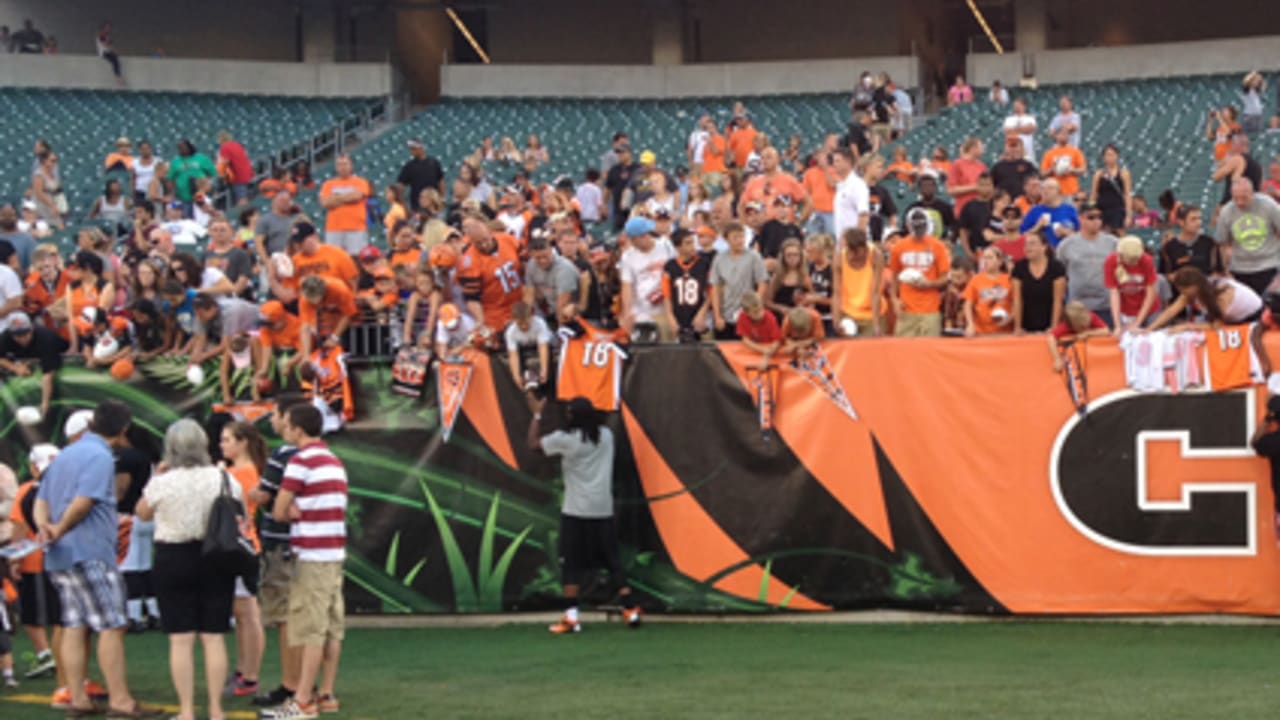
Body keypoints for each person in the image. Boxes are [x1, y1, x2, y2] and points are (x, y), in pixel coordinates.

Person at [34, 401, 161, 718]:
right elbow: (84, 502)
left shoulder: (66, 454)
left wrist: (45, 528)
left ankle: (77, 698)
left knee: (75, 624)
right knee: (112, 624)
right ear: (123, 429)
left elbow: (42, 498)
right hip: (90, 550)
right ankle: (120, 700)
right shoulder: (101, 457)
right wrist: (60, 528)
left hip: (59, 554)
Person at [134, 419, 237, 720]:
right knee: (213, 636)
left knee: (180, 638)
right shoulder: (221, 478)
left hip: (173, 557)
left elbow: (141, 512)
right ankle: (217, 710)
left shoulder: (164, 481)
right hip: (216, 556)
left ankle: (187, 710)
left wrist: (157, 477)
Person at [268, 404, 348, 719]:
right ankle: (325, 692)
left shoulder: (300, 462)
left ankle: (303, 700)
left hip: (312, 555)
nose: (284, 429)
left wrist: (289, 510)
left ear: (298, 429)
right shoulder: (333, 460)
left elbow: (278, 508)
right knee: (330, 626)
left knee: (311, 628)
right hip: (333, 553)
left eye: (286, 424)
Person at [247, 398, 305, 709]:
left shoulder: (284, 454)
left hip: (281, 544)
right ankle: (307, 682)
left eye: (275, 414)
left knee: (285, 618)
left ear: (288, 419)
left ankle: (291, 684)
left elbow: (265, 495)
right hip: (307, 545)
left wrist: (252, 493)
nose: (271, 420)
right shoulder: (320, 454)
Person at [219, 421, 268, 699]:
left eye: (227, 440)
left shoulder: (242, 474)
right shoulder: (237, 472)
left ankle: (250, 675)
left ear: (242, 443)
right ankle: (243, 670)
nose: (222, 444)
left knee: (248, 614)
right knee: (243, 614)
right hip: (240, 548)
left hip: (243, 548)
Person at [9, 444, 61, 684]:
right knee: (61, 616)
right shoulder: (69, 489)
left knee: (32, 614)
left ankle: (46, 654)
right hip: (63, 559)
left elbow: (19, 527)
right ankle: (60, 656)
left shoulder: (28, 490)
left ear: (33, 466)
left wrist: (15, 558)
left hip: (34, 558)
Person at [888, 208, 951, 337]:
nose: (918, 229)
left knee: (929, 350)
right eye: (915, 226)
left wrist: (929, 284)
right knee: (904, 351)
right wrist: (895, 300)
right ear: (908, 225)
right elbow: (893, 277)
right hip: (906, 307)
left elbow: (945, 277)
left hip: (930, 308)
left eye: (921, 225)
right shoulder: (899, 247)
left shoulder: (937, 246)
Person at [1215, 177, 1280, 296]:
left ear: (1252, 193)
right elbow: (1223, 244)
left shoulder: (1269, 205)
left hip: (1268, 265)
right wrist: (1225, 270)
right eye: (1236, 198)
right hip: (1239, 268)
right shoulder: (1226, 211)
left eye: (1244, 198)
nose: (1240, 202)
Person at [1057, 205, 1119, 327]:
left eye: (1099, 217)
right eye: (1091, 217)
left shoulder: (1113, 243)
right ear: (1080, 218)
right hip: (1076, 308)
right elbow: (1061, 275)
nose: (1096, 221)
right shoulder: (1066, 245)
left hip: (1106, 306)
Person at [1147, 266, 1263, 330]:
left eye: (1183, 290)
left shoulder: (1222, 294)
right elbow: (1170, 311)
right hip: (1230, 318)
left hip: (1253, 318)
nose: (1182, 294)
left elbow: (1217, 325)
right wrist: (1149, 329)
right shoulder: (1191, 293)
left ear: (1193, 286)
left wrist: (1186, 326)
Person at [0, 312, 67, 419]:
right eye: (17, 335)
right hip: (32, 361)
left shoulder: (46, 338)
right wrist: (15, 368)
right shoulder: (6, 337)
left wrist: (45, 403)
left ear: (31, 329)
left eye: (25, 334)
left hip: (60, 358)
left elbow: (48, 375)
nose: (22, 338)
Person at [709, 222, 768, 340]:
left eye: (742, 236)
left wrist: (755, 305)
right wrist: (717, 315)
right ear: (727, 239)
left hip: (747, 313)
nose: (740, 240)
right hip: (726, 313)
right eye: (735, 237)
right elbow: (715, 288)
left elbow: (762, 283)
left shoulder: (754, 257)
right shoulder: (719, 259)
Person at [662, 229, 712, 341]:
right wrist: (670, 317)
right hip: (679, 315)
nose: (692, 246)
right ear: (678, 247)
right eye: (688, 243)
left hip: (698, 315)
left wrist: (702, 313)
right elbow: (667, 295)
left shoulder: (704, 264)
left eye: (693, 242)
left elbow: (711, 292)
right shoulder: (670, 266)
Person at [1011, 232, 1066, 333]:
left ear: (1044, 247)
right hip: (1026, 324)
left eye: (1032, 244)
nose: (1028, 247)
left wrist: (1054, 327)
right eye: (1026, 244)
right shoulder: (1019, 268)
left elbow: (1058, 300)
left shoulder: (1056, 268)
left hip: (1048, 321)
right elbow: (1017, 299)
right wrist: (1017, 327)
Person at [1104, 236, 1159, 335]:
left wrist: (1137, 322)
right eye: (1131, 260)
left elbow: (1150, 293)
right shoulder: (1111, 261)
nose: (1135, 263)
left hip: (1147, 309)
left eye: (1137, 259)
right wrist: (1117, 325)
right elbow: (1114, 293)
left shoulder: (1146, 260)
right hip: (1125, 309)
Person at [832, 228, 882, 337]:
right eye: (849, 251)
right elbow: (836, 292)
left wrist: (876, 325)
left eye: (855, 252)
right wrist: (836, 320)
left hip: (871, 314)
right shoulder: (839, 257)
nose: (851, 255)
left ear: (864, 248)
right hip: (848, 313)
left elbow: (876, 292)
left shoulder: (875, 255)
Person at [319, 155, 372, 255]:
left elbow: (357, 196)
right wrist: (347, 197)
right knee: (334, 257)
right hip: (333, 228)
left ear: (351, 165)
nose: (342, 167)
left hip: (356, 227)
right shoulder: (328, 184)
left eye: (345, 164)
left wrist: (336, 197)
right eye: (339, 164)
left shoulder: (360, 182)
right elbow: (325, 202)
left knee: (356, 258)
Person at [1160, 205, 1224, 284]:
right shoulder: (1168, 247)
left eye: (1199, 218)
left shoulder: (1210, 243)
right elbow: (1164, 275)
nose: (1198, 222)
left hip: (1206, 291)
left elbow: (1219, 272)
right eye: (1193, 219)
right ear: (1181, 222)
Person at [524, 236, 580, 322]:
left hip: (575, 311)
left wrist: (560, 330)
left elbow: (563, 303)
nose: (543, 261)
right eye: (538, 258)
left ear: (551, 251)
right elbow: (529, 295)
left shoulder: (564, 268)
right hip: (551, 308)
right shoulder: (531, 265)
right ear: (531, 255)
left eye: (545, 256)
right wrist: (526, 318)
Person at [1046, 302, 1110, 371]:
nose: (1084, 327)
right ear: (1072, 324)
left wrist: (1088, 333)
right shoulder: (1066, 326)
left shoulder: (1092, 316)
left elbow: (1106, 330)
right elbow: (1051, 338)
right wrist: (1057, 359)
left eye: (1086, 325)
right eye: (1081, 327)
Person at [1020, 178, 1079, 248]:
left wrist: (1067, 233)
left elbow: (1083, 236)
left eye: (1050, 188)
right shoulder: (1034, 211)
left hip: (1066, 253)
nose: (1045, 191)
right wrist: (1037, 227)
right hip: (1043, 254)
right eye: (1042, 188)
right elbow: (1021, 237)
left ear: (1059, 192)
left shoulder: (1070, 210)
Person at [1090, 144, 1132, 232]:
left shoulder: (1123, 173)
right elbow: (1094, 194)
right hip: (1102, 208)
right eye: (1107, 155)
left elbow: (1127, 194)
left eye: (1112, 155)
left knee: (1118, 233)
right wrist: (1091, 208)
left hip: (1117, 208)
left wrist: (1128, 215)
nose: (1110, 157)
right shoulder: (1099, 174)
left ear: (1117, 156)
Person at [167, 140, 216, 215]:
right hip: (183, 197)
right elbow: (170, 179)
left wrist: (205, 185)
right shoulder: (175, 162)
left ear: (189, 147)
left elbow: (212, 173)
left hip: (200, 195)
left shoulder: (201, 158)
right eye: (179, 148)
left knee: (203, 215)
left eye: (183, 147)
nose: (181, 149)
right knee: (187, 219)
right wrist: (172, 193)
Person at [831, 147, 869, 241]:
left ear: (847, 162)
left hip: (854, 242)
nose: (834, 165)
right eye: (834, 161)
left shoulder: (857, 185)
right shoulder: (840, 186)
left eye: (837, 161)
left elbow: (863, 215)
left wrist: (858, 241)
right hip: (842, 241)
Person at [958, 172, 998, 259]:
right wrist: (968, 252)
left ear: (993, 186)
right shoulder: (969, 206)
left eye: (988, 184)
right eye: (982, 185)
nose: (985, 188)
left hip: (997, 252)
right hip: (976, 251)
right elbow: (963, 231)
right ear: (977, 186)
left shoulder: (999, 205)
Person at [1041, 128, 1086, 199]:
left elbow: (1083, 169)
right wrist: (1051, 170)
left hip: (1071, 191)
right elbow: (1042, 174)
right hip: (1055, 192)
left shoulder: (1075, 151)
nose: (1065, 136)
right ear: (1056, 136)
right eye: (1063, 134)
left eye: (1067, 134)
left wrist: (1072, 170)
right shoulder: (1049, 154)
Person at [947, 137, 987, 214]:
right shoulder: (957, 164)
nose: (983, 151)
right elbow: (951, 190)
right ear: (973, 149)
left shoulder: (982, 166)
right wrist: (975, 187)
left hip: (980, 209)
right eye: (981, 147)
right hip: (963, 209)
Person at [216, 131, 254, 205]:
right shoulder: (237, 144)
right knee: (244, 197)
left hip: (238, 176)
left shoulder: (225, 147)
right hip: (247, 173)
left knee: (242, 200)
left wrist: (220, 174)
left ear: (221, 139)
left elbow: (224, 163)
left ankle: (244, 214)